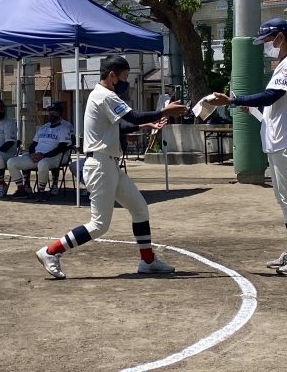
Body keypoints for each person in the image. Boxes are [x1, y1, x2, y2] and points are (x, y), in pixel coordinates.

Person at [35, 56, 188, 279]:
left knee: (139, 209)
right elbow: (133, 116)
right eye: (124, 77)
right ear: (112, 75)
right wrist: (164, 111)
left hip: (108, 165)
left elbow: (119, 126)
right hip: (100, 166)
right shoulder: (105, 95)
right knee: (99, 225)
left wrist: (146, 124)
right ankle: (50, 252)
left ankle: (147, 261)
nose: (125, 82)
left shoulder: (101, 95)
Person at [208, 18, 287, 275]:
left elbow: (272, 96)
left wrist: (233, 101)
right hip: (282, 143)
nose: (266, 45)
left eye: (267, 40)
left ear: (280, 37)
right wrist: (254, 109)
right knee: (285, 200)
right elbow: (275, 107)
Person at [68, 118, 167, 196]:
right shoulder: (97, 127)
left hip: (109, 161)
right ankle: (91, 187)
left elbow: (126, 130)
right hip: (93, 161)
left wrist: (148, 123)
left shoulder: (115, 128)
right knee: (74, 166)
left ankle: (94, 187)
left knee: (137, 205)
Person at [7, 102, 73, 202]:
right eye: (50, 113)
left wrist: (43, 155)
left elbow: (61, 148)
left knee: (43, 163)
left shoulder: (64, 129)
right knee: (11, 162)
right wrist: (31, 155)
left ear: (60, 115)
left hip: (53, 158)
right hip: (37, 157)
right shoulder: (43, 128)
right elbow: (33, 144)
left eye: (54, 113)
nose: (51, 115)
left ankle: (41, 191)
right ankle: (21, 189)